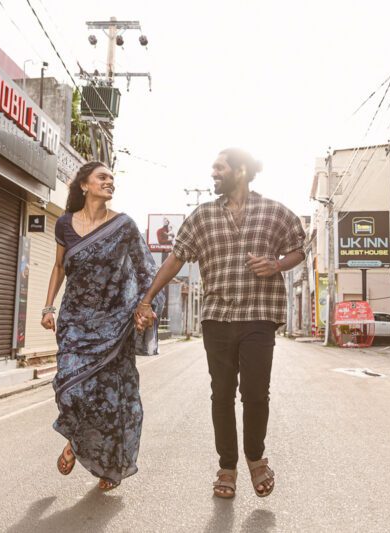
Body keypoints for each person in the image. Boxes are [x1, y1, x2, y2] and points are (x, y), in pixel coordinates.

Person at [135, 148, 306, 499]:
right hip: (218, 317)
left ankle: (256, 459)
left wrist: (277, 265)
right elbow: (175, 258)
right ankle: (227, 467)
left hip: (259, 314)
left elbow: (299, 248)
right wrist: (147, 297)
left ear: (240, 171)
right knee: (222, 394)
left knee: (256, 394)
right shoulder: (202, 216)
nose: (213, 172)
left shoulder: (274, 211)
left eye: (219, 167)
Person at [42, 161, 163, 491]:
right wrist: (48, 306)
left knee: (111, 400)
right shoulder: (65, 224)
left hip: (114, 326)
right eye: (102, 177)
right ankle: (76, 439)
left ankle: (108, 467)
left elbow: (145, 270)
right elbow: (57, 267)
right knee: (70, 389)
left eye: (113, 177)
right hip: (74, 323)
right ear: (84, 184)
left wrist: (146, 304)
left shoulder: (124, 225)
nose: (110, 181)